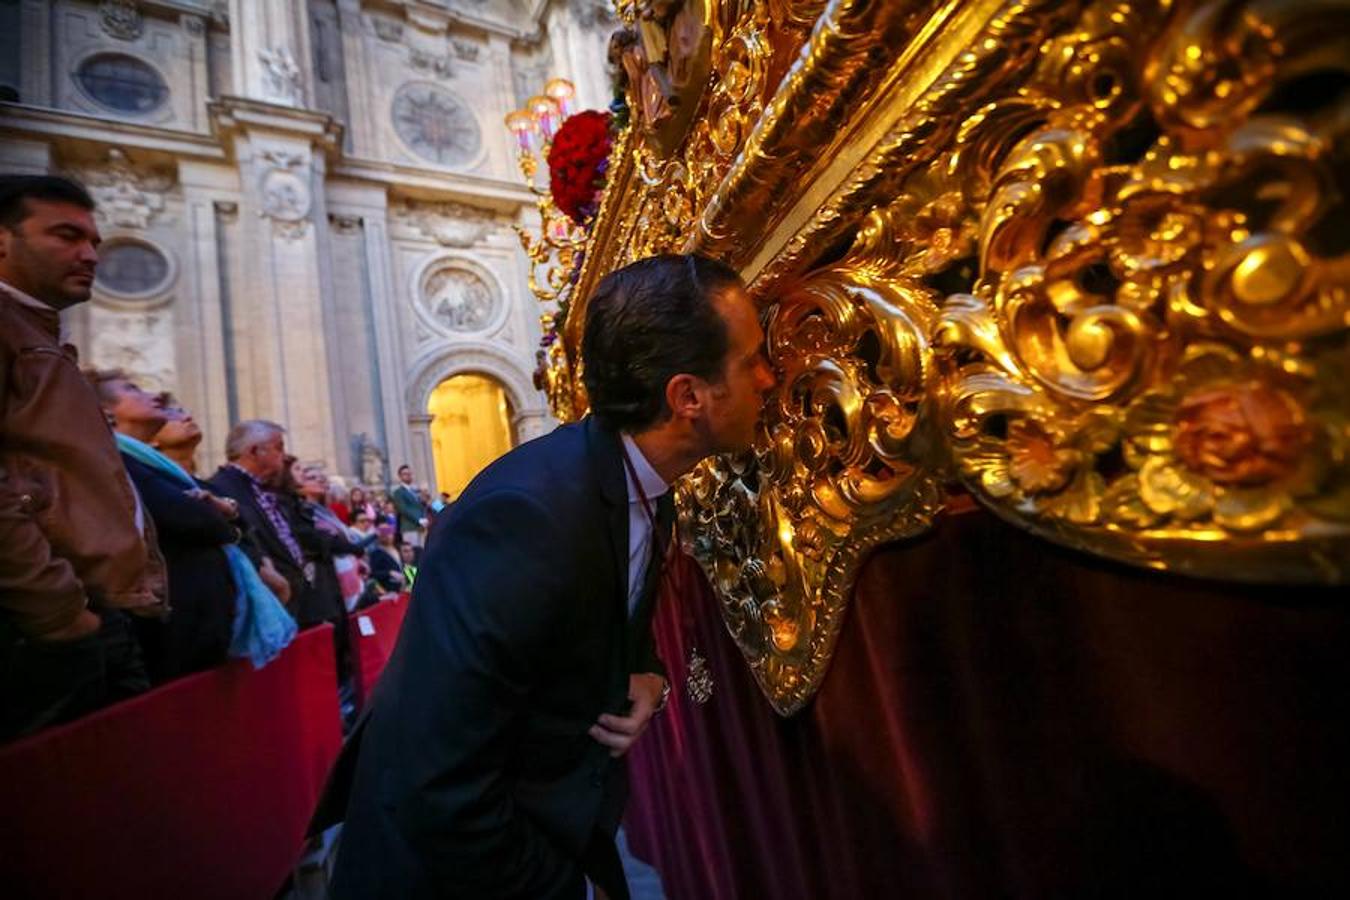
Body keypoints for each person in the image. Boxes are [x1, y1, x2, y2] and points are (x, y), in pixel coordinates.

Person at [316, 254, 775, 899]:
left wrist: (649, 674)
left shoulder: (643, 482)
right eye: (751, 359)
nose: (769, 378)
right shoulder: (526, 519)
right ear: (688, 397)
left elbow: (605, 610)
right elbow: (436, 778)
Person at [0, 174, 166, 741]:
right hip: (48, 627)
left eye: (93, 240)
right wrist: (59, 610)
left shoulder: (38, 334)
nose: (91, 255)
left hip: (89, 615)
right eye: (66, 236)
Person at [90, 370, 237, 682]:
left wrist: (223, 513)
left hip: (194, 623)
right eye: (132, 389)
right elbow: (194, 518)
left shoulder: (151, 464)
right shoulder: (116, 460)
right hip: (168, 628)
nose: (153, 396)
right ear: (106, 412)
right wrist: (221, 515)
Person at [205, 421, 307, 611]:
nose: (284, 456)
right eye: (279, 448)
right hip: (269, 600)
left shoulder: (261, 488)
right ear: (254, 451)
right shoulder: (222, 488)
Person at [391, 465, 428, 548]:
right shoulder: (398, 492)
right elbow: (403, 509)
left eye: (409, 474)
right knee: (412, 551)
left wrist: (424, 518)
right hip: (409, 527)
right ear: (400, 476)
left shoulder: (415, 491)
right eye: (405, 474)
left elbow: (421, 507)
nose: (408, 476)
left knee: (422, 551)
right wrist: (419, 520)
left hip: (420, 527)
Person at [366, 523, 405, 594]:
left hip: (401, 588)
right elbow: (373, 573)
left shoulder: (396, 548)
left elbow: (402, 566)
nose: (388, 537)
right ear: (380, 537)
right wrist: (389, 573)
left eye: (390, 533)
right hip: (387, 590)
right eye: (384, 535)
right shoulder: (376, 553)